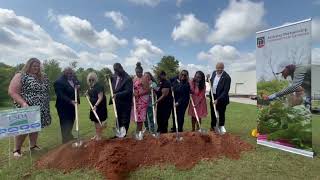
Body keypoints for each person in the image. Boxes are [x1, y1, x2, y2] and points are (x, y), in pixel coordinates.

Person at [8, 58, 51, 157]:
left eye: (38, 66)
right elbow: (12, 92)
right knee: (24, 129)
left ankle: (33, 146)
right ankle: (17, 150)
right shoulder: (20, 75)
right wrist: (23, 103)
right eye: (34, 66)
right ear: (28, 66)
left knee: (35, 127)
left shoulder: (42, 76)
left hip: (41, 107)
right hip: (26, 106)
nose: (36, 68)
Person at [54, 67, 80, 143]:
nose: (70, 75)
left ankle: (69, 136)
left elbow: (77, 82)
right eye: (68, 73)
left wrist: (78, 86)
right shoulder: (59, 82)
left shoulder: (73, 78)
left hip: (73, 105)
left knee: (71, 121)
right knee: (65, 123)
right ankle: (65, 140)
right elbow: (60, 95)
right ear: (64, 73)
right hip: (63, 106)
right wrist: (70, 101)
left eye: (71, 73)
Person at [110, 63, 133, 133]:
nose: (116, 72)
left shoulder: (128, 78)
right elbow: (113, 85)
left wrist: (117, 94)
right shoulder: (114, 76)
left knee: (125, 119)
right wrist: (109, 79)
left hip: (125, 103)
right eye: (115, 71)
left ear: (121, 68)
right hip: (117, 102)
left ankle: (123, 135)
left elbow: (128, 91)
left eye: (117, 71)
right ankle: (118, 134)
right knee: (118, 118)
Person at [209, 62, 231, 134]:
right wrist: (208, 79)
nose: (218, 70)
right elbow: (211, 82)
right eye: (217, 68)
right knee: (213, 113)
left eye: (220, 68)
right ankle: (213, 127)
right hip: (213, 96)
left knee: (221, 114)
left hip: (222, 98)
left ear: (223, 68)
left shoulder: (227, 77)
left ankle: (221, 127)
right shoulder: (214, 73)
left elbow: (225, 91)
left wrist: (218, 99)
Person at [86, 72, 107, 141]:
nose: (91, 81)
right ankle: (97, 134)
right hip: (93, 106)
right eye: (90, 80)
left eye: (92, 80)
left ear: (95, 79)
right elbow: (91, 96)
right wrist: (87, 94)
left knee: (98, 121)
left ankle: (99, 136)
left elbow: (100, 97)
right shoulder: (91, 87)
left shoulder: (99, 86)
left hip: (99, 106)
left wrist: (95, 105)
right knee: (95, 121)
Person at [131, 62, 149, 133]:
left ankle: (139, 131)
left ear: (142, 71)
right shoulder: (135, 78)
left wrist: (138, 94)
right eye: (137, 72)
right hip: (136, 100)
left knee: (141, 117)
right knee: (137, 117)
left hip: (142, 100)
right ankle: (138, 131)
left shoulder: (144, 78)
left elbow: (147, 90)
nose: (138, 73)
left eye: (140, 72)